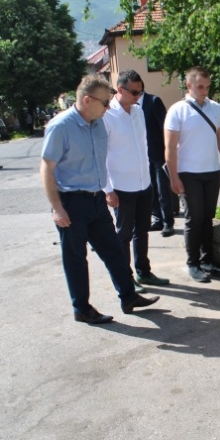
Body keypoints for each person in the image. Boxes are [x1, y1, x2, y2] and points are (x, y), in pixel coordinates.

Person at [40, 74, 159, 324]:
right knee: (76, 258)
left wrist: (107, 190)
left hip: (96, 200)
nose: (108, 107)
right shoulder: (61, 126)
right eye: (105, 102)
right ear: (86, 100)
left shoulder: (98, 123)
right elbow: (47, 169)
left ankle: (128, 297)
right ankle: (81, 308)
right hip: (71, 202)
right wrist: (57, 208)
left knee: (114, 250)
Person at [164, 66, 220, 283]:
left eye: (207, 86)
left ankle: (207, 261)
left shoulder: (215, 108)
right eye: (200, 86)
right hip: (188, 173)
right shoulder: (177, 110)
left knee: (207, 218)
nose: (205, 90)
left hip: (211, 172)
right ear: (189, 85)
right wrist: (174, 177)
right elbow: (169, 146)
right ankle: (192, 263)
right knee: (193, 219)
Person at [104, 70, 170, 293]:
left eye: (140, 92)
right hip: (121, 187)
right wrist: (107, 189)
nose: (138, 96)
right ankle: (126, 277)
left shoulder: (138, 111)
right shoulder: (107, 116)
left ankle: (144, 271)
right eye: (133, 92)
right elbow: (100, 155)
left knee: (142, 230)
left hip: (144, 184)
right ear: (120, 89)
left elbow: (143, 146)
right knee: (123, 234)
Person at [138, 82, 175, 237]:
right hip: (144, 156)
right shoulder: (131, 107)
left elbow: (165, 128)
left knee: (162, 190)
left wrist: (168, 153)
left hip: (159, 155)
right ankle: (158, 219)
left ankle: (168, 222)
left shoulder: (153, 102)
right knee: (151, 189)